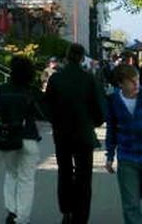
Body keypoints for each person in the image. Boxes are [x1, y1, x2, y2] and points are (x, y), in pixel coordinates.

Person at [45, 43, 107, 224]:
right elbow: (99, 108)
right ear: (81, 58)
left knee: (64, 172)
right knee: (84, 175)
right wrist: (93, 123)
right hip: (83, 132)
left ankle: (66, 210)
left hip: (62, 132)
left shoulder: (56, 79)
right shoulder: (89, 79)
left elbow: (47, 105)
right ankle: (81, 216)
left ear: (66, 56)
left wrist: (55, 122)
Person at [0, 55, 46, 224]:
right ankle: (22, 217)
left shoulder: (2, 90)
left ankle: (12, 211)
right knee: (26, 179)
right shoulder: (31, 91)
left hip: (8, 136)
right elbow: (42, 113)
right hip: (28, 136)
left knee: (11, 173)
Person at [105, 64, 142, 223]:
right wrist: (110, 155)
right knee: (131, 204)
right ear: (121, 84)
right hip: (127, 157)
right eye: (132, 82)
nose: (137, 85)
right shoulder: (113, 100)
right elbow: (111, 129)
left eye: (138, 80)